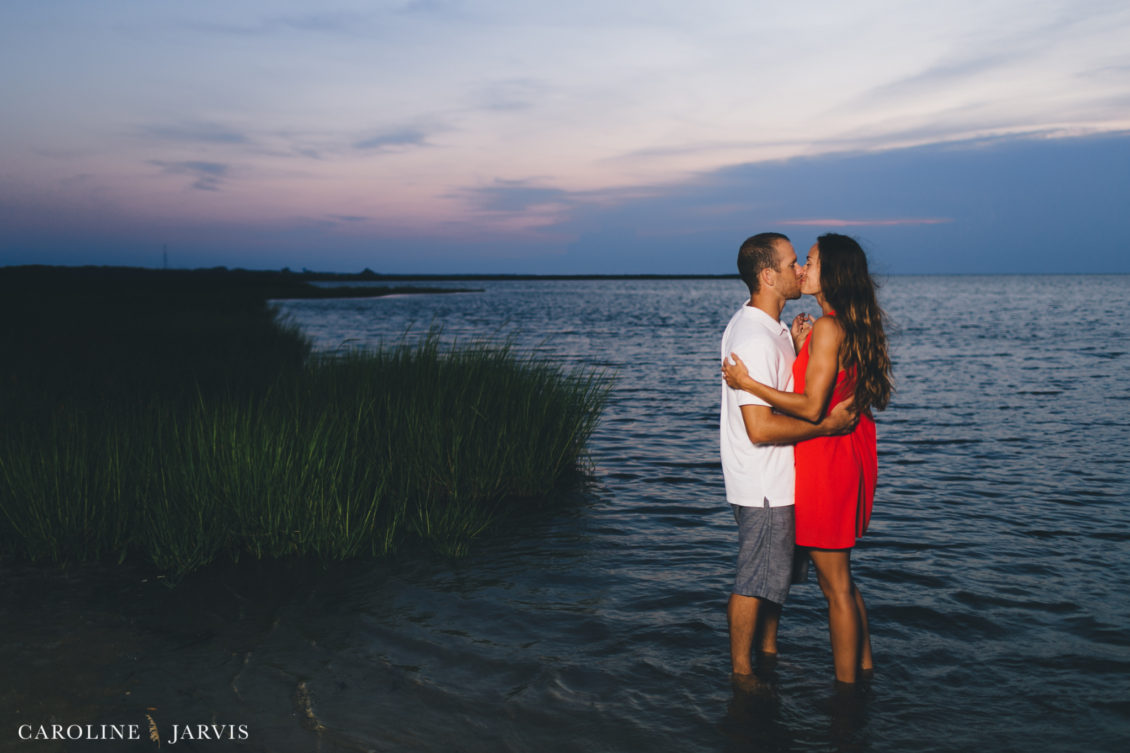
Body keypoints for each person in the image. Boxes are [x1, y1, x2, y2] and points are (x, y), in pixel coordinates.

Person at [722, 233, 892, 686]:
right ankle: (862, 672)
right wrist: (801, 353)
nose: (802, 270)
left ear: (832, 273)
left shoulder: (827, 327)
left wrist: (749, 384)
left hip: (825, 461)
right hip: (832, 457)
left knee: (834, 583)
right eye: (799, 262)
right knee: (840, 579)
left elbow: (815, 407)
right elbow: (820, 394)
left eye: (810, 262)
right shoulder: (833, 326)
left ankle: (846, 693)